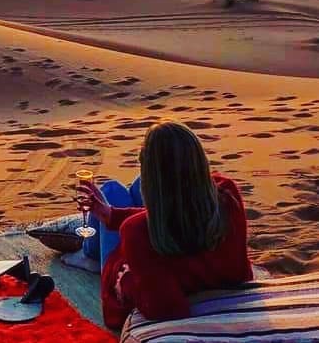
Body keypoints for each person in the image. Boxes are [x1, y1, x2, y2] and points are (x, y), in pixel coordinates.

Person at [78, 120, 253, 329]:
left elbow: (164, 309)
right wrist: (113, 216)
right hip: (192, 261)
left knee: (112, 190)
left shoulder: (137, 232)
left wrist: (124, 280)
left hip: (130, 265)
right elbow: (180, 213)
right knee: (132, 188)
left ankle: (88, 254)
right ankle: (99, 229)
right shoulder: (226, 193)